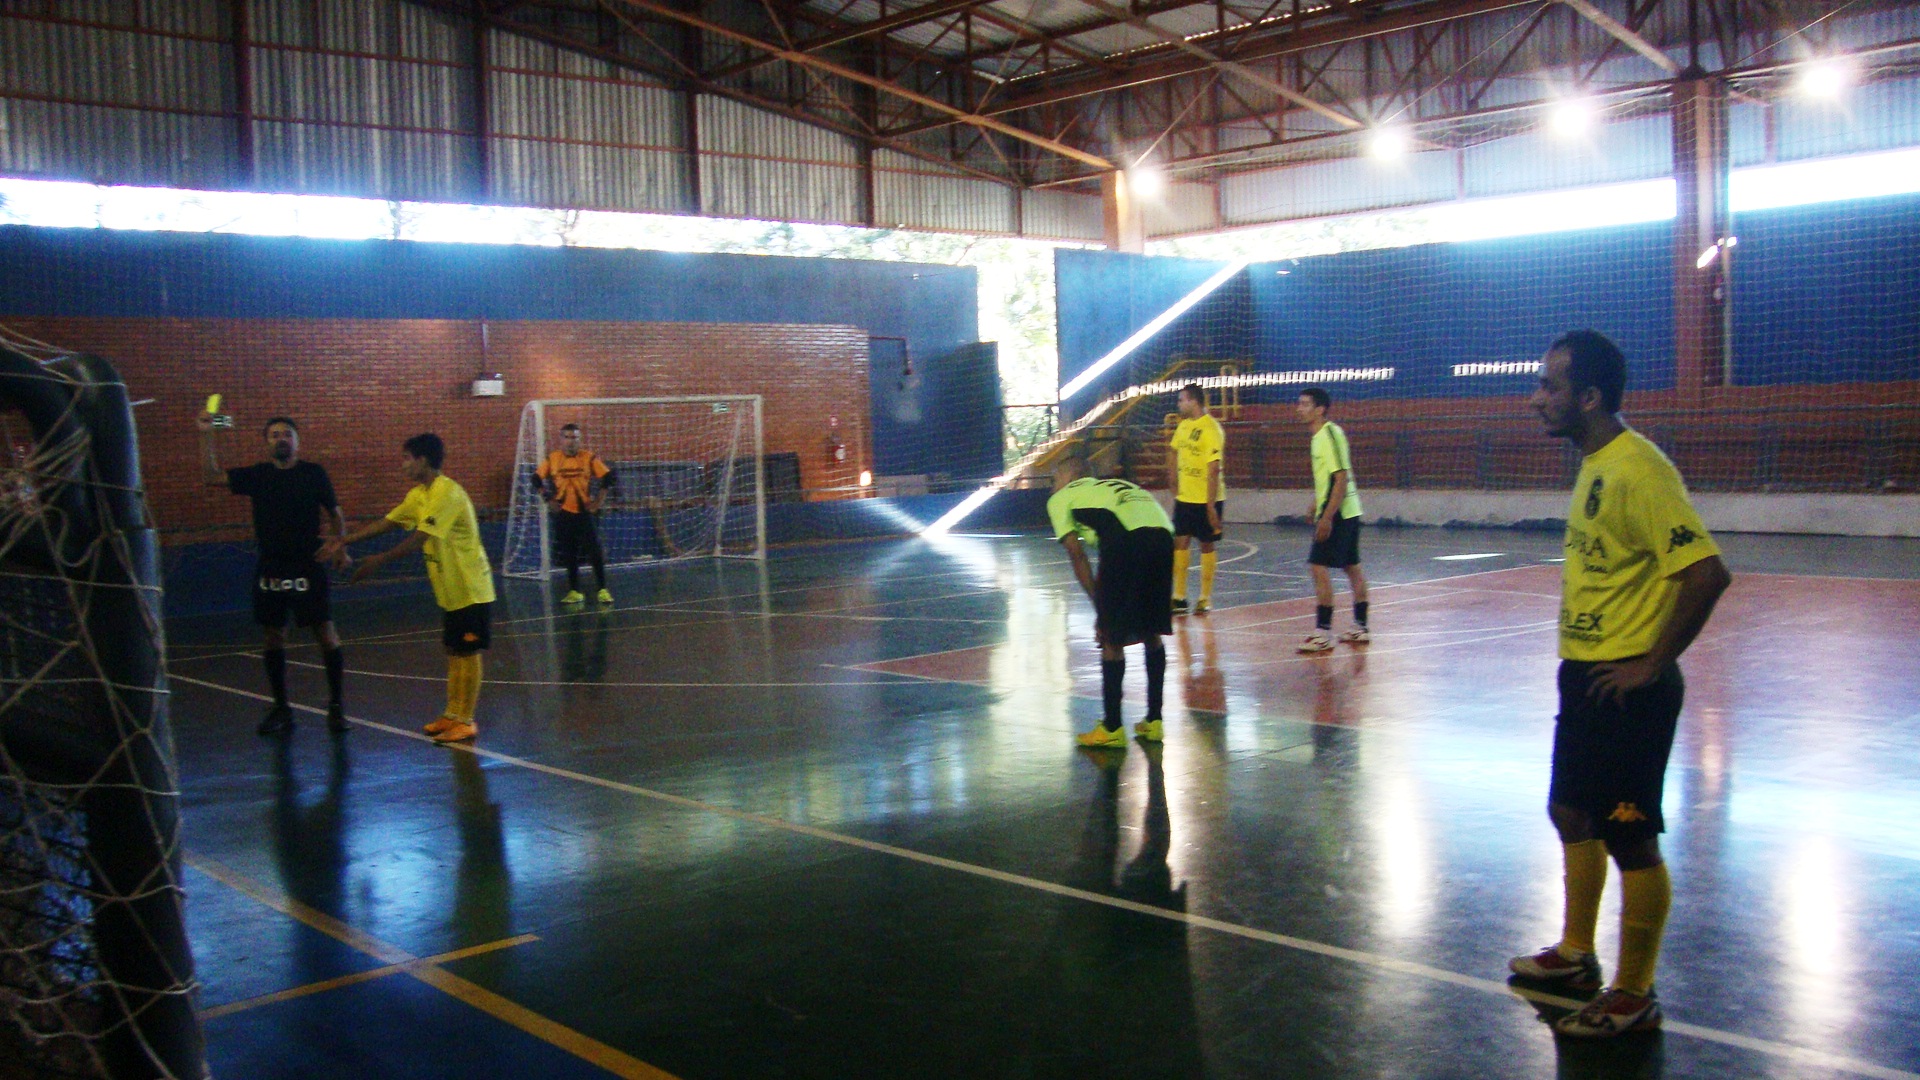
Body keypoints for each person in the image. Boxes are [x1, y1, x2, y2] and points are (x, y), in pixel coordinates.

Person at [1508, 330, 1731, 1038]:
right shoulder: (1596, 462)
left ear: (1589, 397)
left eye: (1549, 386)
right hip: (1584, 673)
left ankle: (1634, 993)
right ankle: (1577, 954)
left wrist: (1651, 664)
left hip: (1628, 686)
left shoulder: (1640, 469)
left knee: (1629, 836)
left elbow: (1706, 574)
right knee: (1571, 812)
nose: (1537, 398)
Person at [324, 434, 495, 745]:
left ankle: (466, 720)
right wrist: (344, 540)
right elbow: (388, 522)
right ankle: (452, 714)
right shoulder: (419, 495)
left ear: (423, 460)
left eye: (406, 458)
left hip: (470, 587)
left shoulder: (447, 493)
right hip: (450, 590)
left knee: (468, 652)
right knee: (454, 651)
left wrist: (379, 560)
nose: (402, 465)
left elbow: (420, 538)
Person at [198, 413, 349, 734]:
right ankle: (282, 709)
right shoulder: (258, 475)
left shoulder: (313, 473)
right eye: (275, 435)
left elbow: (334, 512)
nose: (282, 439)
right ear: (267, 443)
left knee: (326, 634)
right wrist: (206, 434)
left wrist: (340, 545)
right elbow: (211, 476)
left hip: (307, 564)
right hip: (272, 566)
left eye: (287, 434)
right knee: (273, 635)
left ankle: (336, 707)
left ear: (297, 441)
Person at [1047, 461, 1175, 748]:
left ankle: (1112, 728)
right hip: (1163, 536)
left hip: (1127, 540)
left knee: (1111, 638)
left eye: (1055, 478)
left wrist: (1102, 609)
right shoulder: (1112, 487)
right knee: (1151, 630)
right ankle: (1154, 721)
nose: (1052, 485)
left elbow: (1076, 554)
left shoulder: (1061, 498)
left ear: (1071, 477)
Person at [1295, 387, 1369, 652]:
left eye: (1305, 404)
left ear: (1320, 409)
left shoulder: (1329, 434)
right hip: (1343, 510)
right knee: (1352, 567)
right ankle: (1360, 627)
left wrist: (1326, 517)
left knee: (1318, 566)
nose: (1299, 409)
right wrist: (1315, 505)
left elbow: (1341, 478)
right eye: (1299, 404)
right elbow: (1328, 480)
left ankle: (1323, 632)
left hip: (1340, 512)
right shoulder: (1318, 437)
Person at [535, 422, 616, 605]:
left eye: (575, 438)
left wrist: (598, 502)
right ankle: (574, 591)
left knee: (594, 551)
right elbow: (536, 478)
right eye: (567, 437)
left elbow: (608, 477)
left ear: (580, 440)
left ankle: (602, 590)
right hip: (563, 514)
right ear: (561, 439)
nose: (571, 441)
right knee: (568, 552)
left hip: (584, 513)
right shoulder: (553, 458)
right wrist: (548, 499)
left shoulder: (588, 458)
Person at [1168, 384, 1225, 616]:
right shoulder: (1182, 426)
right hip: (1186, 498)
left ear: (1194, 401)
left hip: (1206, 499)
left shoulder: (1211, 429)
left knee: (1206, 543)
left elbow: (1214, 468)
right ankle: (1179, 597)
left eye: (1182, 400)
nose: (1179, 404)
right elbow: (1173, 450)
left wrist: (1211, 506)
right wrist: (1172, 477)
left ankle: (1204, 598)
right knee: (1180, 543)